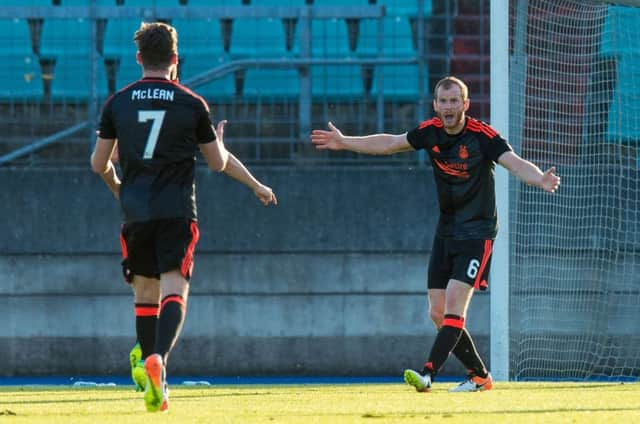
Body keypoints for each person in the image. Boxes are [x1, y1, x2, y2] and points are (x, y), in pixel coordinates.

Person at [310, 76, 560, 392]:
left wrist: (538, 179)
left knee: (455, 308)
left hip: (477, 233)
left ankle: (428, 373)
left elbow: (513, 162)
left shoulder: (482, 136)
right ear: (436, 105)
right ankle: (480, 377)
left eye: (455, 101)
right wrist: (345, 141)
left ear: (466, 105)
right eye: (443, 101)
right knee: (437, 312)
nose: (449, 107)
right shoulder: (430, 132)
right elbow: (390, 143)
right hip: (446, 233)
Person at [90, 22, 277, 412]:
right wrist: (248, 176)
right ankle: (159, 359)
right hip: (176, 210)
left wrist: (119, 187)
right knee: (175, 290)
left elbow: (98, 163)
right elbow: (216, 162)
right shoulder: (191, 103)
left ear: (139, 58)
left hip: (136, 212)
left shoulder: (117, 103)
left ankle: (148, 368)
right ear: (175, 60)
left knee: (144, 296)